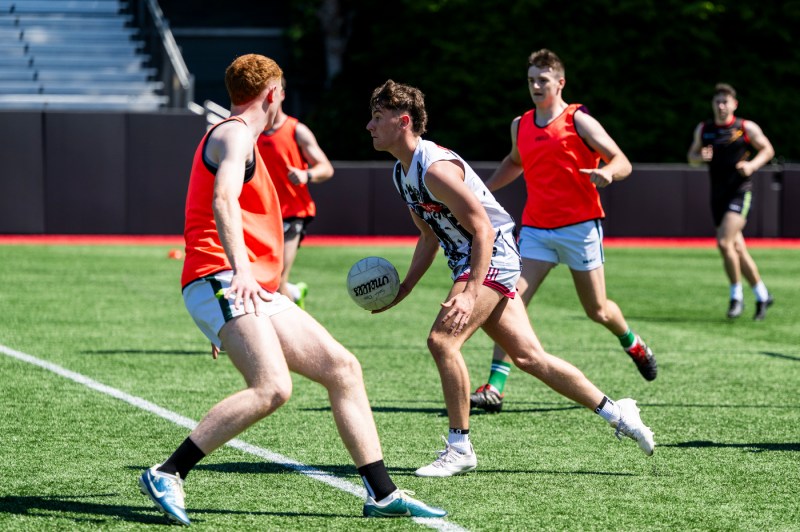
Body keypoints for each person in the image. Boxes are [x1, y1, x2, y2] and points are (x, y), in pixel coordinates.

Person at [138, 54, 446, 525]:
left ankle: (382, 494)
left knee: (342, 367)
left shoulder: (243, 136)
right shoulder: (236, 132)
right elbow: (222, 198)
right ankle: (168, 471)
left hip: (247, 287)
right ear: (273, 93)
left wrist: (234, 305)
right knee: (273, 387)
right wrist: (238, 276)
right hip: (225, 277)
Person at [366, 79, 655, 478]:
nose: (369, 125)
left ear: (403, 122)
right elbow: (429, 235)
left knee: (442, 341)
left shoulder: (435, 169)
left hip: (493, 255)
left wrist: (469, 293)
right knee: (529, 358)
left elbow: (483, 229)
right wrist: (404, 289)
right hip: (477, 260)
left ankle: (460, 446)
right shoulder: (402, 174)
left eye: (377, 118)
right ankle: (619, 413)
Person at [470, 48, 658, 414]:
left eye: (543, 80)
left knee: (598, 310)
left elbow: (622, 161)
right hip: (537, 230)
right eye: (531, 80)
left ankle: (633, 342)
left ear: (560, 82)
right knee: (508, 301)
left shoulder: (579, 120)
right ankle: (495, 387)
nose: (536, 86)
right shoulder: (520, 124)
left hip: (579, 229)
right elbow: (515, 161)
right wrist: (487, 189)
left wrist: (608, 172)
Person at [687, 82, 775, 321]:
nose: (721, 105)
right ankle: (762, 293)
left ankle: (736, 296)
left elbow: (768, 149)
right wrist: (700, 157)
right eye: (717, 101)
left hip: (740, 192)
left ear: (734, 104)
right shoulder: (704, 129)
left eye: (725, 101)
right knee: (737, 248)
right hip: (717, 195)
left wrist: (752, 165)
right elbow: (692, 156)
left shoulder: (745, 127)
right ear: (713, 104)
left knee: (725, 243)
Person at [257, 77, 334, 309]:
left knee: (276, 280)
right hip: (262, 217)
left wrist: (306, 175)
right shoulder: (251, 132)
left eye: (274, 91)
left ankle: (295, 342)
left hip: (293, 214)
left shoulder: (296, 130)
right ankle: (293, 291)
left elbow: (326, 168)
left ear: (282, 95)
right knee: (262, 280)